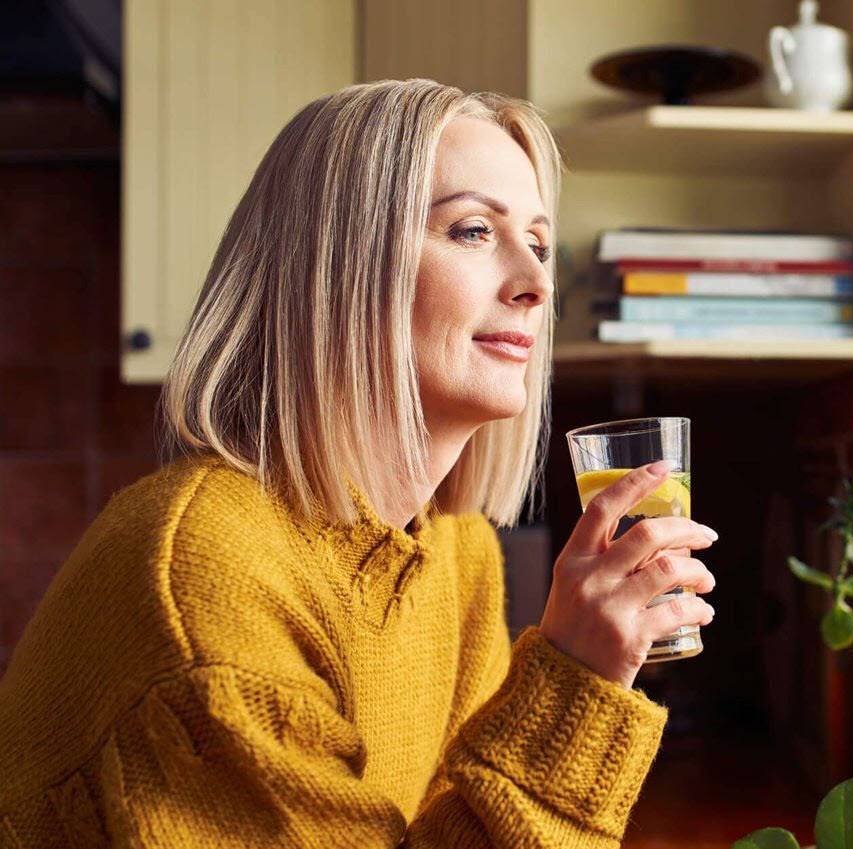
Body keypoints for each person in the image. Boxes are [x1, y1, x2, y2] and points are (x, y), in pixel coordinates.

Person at [0, 78, 717, 848]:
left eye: (539, 244)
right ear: (335, 264)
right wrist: (572, 686)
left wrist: (586, 678)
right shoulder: (209, 578)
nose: (538, 283)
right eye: (473, 230)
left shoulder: (457, 550)